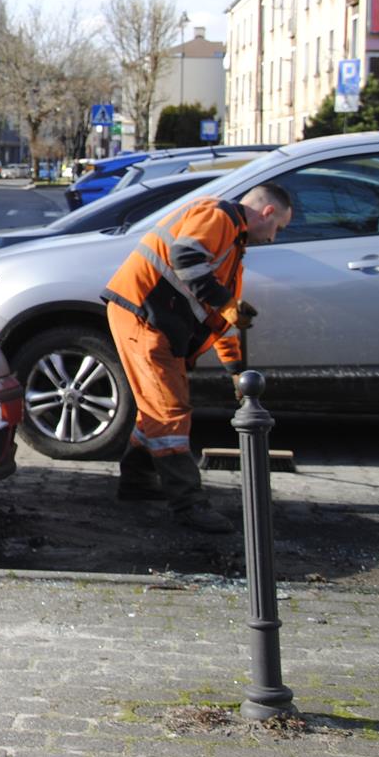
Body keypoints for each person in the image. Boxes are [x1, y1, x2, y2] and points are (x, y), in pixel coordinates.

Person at [101, 183, 293, 534]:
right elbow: (186, 258)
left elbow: (223, 323)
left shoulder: (231, 247)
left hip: (155, 321)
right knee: (169, 411)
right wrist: (226, 304)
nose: (273, 237)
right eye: (277, 227)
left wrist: (236, 371)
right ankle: (188, 503)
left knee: (157, 408)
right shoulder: (217, 215)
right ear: (267, 213)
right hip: (143, 317)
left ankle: (137, 480)